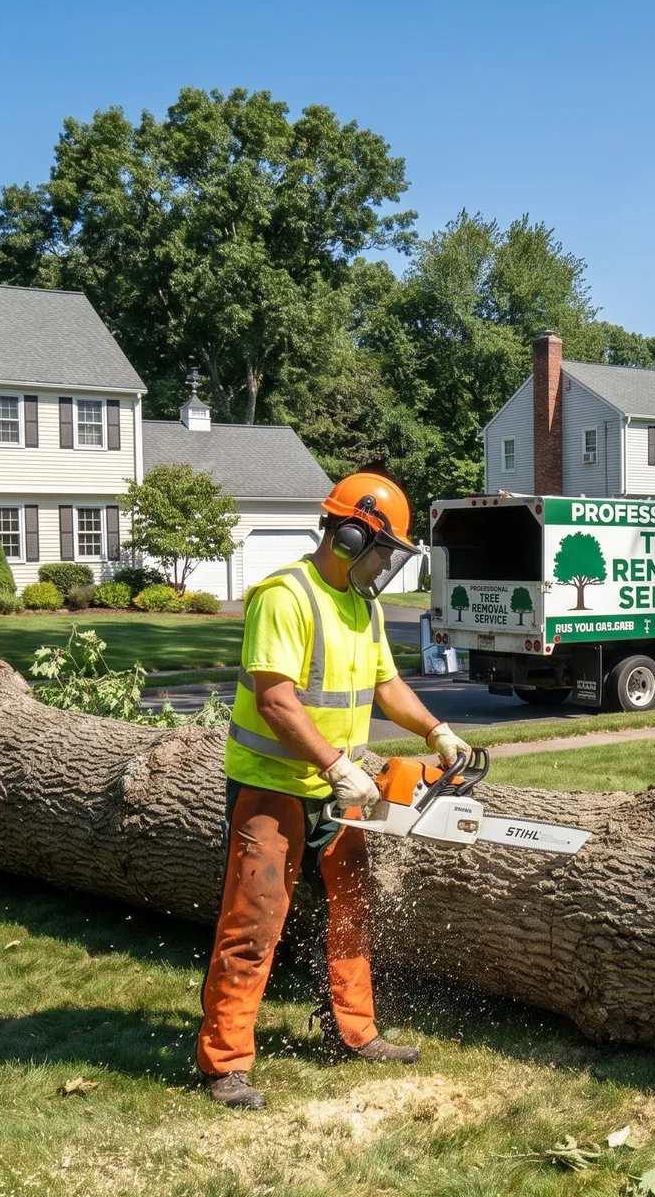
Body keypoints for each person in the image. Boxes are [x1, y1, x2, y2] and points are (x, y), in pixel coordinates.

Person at [198, 472, 472, 1110]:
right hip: (273, 785)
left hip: (335, 785)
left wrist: (437, 731)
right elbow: (274, 700)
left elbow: (386, 686)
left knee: (352, 905)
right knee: (253, 921)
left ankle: (354, 1031)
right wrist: (332, 764)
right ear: (351, 535)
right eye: (385, 550)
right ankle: (224, 1062)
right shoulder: (284, 596)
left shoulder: (362, 603)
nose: (387, 565)